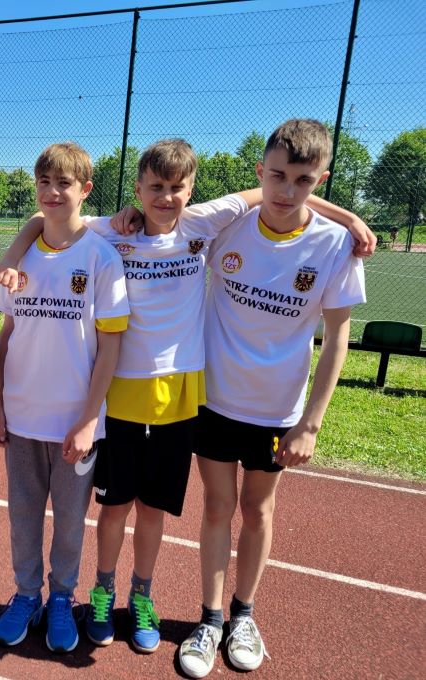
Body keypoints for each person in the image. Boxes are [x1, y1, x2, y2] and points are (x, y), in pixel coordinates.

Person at [0, 139, 373, 656]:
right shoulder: (113, 230)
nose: (166, 197)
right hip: (119, 394)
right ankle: (101, 593)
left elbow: (271, 191)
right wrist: (12, 253)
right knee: (114, 508)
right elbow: (47, 218)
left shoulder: (201, 224)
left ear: (191, 191)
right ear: (137, 189)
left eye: (176, 188)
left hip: (181, 394)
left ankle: (141, 596)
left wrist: (347, 216)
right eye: (155, 187)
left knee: (154, 510)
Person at [178, 119, 366, 678]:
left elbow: (337, 338)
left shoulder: (334, 245)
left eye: (304, 180)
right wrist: (346, 210)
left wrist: (311, 422)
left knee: (257, 511)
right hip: (214, 399)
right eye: (277, 176)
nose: (287, 191)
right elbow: (176, 215)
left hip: (278, 410)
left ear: (320, 180)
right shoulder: (228, 225)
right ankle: (210, 620)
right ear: (260, 172)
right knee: (216, 507)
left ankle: (243, 615)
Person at [0, 142, 129, 654]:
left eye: (63, 183)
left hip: (75, 424)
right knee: (22, 518)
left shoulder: (101, 258)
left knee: (70, 524)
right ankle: (27, 594)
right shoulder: (19, 258)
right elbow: (7, 335)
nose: (52, 192)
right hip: (22, 417)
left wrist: (89, 420)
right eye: (44, 182)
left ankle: (63, 598)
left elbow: (110, 347)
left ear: (84, 190)